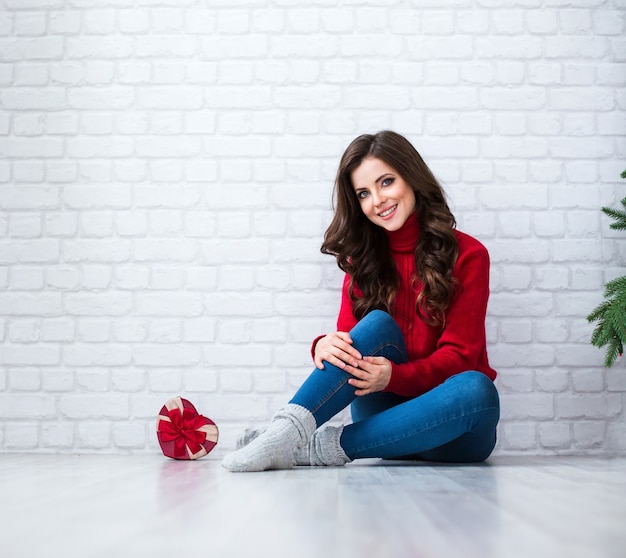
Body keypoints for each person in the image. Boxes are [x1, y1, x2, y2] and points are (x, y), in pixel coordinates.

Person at [222, 130, 499, 472]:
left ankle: (309, 447)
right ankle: (286, 433)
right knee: (378, 325)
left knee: (477, 388)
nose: (377, 200)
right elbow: (352, 345)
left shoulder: (469, 255)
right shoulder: (362, 260)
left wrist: (394, 376)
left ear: (411, 178)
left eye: (386, 182)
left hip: (454, 426)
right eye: (364, 193)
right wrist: (324, 345)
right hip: (380, 416)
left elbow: (460, 357)